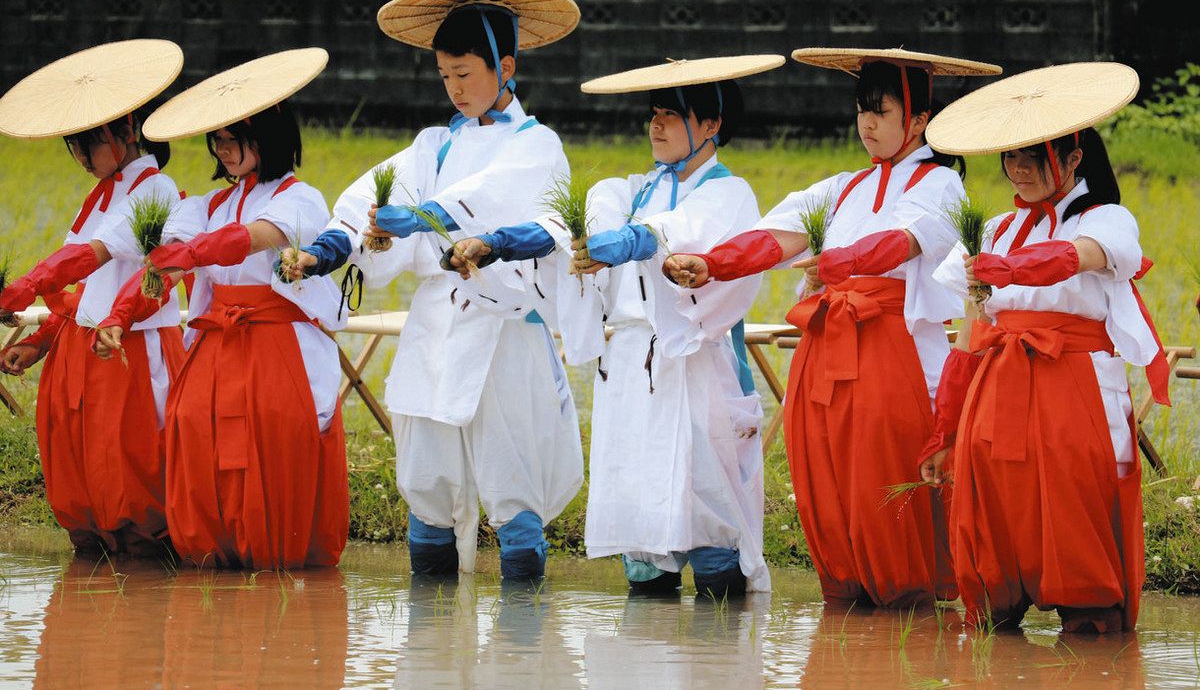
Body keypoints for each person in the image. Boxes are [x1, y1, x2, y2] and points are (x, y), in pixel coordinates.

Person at [664, 48, 1001, 607]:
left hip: (895, 354)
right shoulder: (844, 186)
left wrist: (838, 264)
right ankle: (846, 609)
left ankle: (908, 607)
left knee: (881, 485)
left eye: (882, 111)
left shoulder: (940, 184)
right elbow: (777, 236)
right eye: (861, 110)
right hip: (828, 348)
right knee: (827, 481)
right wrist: (714, 263)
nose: (867, 124)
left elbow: (903, 242)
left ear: (918, 120)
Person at [277, 0, 583, 582]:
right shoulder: (433, 145)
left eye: (465, 73)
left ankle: (524, 652)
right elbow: (368, 197)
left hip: (501, 335)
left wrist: (422, 217)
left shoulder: (536, 143)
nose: (455, 87)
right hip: (436, 330)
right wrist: (328, 248)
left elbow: (493, 198)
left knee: (510, 481)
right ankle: (429, 649)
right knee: (425, 482)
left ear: (507, 68)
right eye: (445, 75)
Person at [447, 56, 785, 597]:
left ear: (712, 124)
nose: (656, 125)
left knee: (708, 503)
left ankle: (718, 652)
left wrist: (619, 245)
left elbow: (674, 232)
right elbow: (568, 228)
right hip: (630, 367)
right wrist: (497, 244)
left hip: (695, 366)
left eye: (671, 115)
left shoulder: (729, 192)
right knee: (639, 505)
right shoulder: (629, 190)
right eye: (653, 114)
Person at [919, 61, 1168, 633]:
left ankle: (1092, 627)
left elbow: (1078, 256)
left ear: (1075, 158)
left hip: (1072, 393)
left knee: (1074, 523)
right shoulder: (996, 231)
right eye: (1011, 156)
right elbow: (971, 334)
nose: (1019, 168)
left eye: (1036, 155)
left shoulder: (1108, 219)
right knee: (997, 526)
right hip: (997, 392)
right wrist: (945, 431)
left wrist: (1007, 269)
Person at [96, 48, 349, 569]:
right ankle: (213, 556)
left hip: (277, 344)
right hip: (215, 345)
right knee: (195, 429)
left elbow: (248, 241)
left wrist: (184, 253)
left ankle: (277, 556)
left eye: (236, 139)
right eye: (218, 140)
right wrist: (118, 316)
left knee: (270, 437)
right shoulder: (203, 206)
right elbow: (164, 273)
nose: (225, 150)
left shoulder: (301, 200)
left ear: (270, 137)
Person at [0, 39, 186, 556]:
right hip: (81, 349)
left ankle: (151, 598)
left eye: (86, 144)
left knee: (136, 474)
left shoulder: (156, 190)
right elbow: (82, 291)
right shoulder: (101, 194)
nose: (80, 158)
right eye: (73, 146)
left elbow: (91, 258)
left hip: (131, 348)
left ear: (125, 130)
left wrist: (24, 286)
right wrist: (40, 340)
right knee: (81, 474)